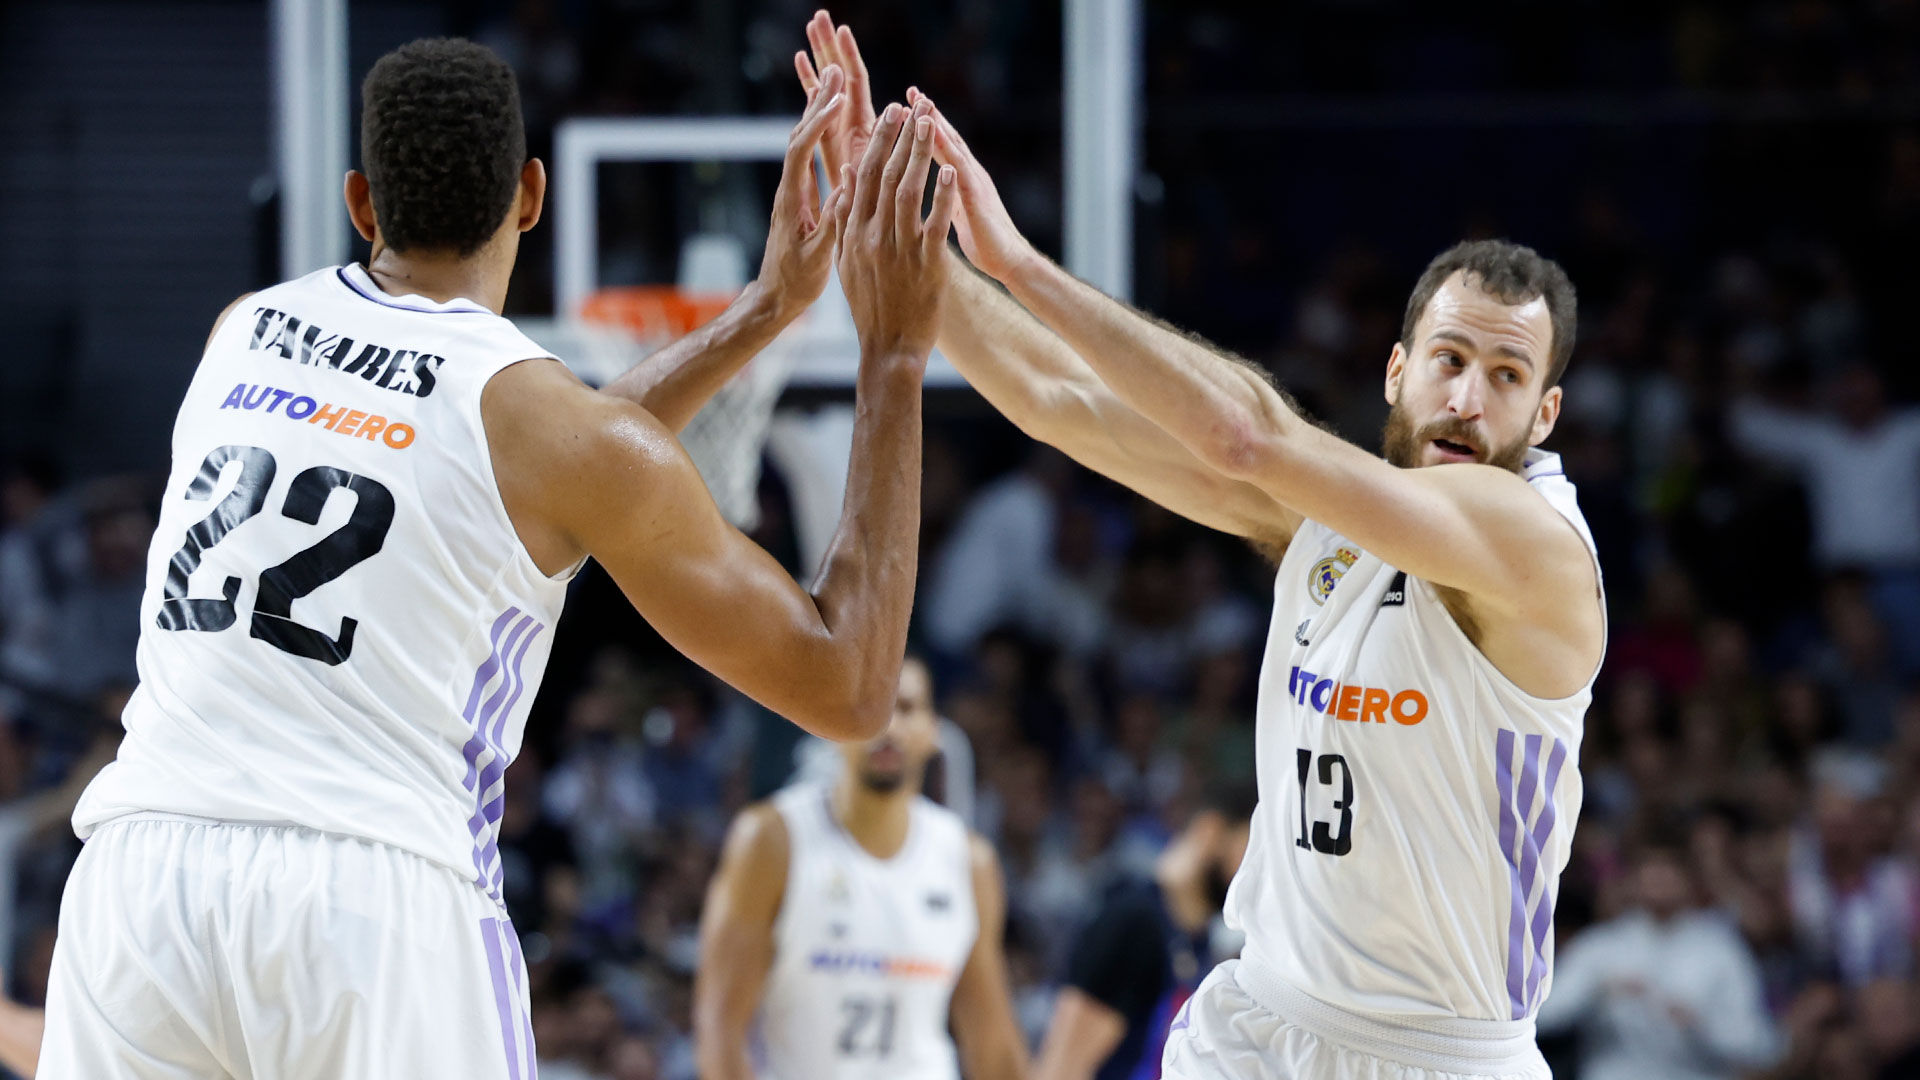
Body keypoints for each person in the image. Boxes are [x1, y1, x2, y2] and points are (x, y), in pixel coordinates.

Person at [39, 37, 956, 1078]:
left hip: (142, 877)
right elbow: (849, 686)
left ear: (359, 202)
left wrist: (761, 314)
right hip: (372, 900)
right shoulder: (551, 437)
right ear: (530, 196)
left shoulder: (239, 333)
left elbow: (492, 475)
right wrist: (892, 352)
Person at [793, 15, 1605, 1080]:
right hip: (1262, 1021)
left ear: (1544, 416)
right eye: (1449, 359)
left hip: (1440, 1054)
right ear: (1396, 372)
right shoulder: (1337, 518)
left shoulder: (1530, 539)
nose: (1467, 399)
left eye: (1506, 378)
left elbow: (1246, 433)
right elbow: (1055, 400)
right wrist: (903, 249)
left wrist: (1019, 263)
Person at [694, 656, 1028, 1080]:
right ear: (833, 727)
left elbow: (991, 1041)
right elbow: (720, 1028)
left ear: (934, 732)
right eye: (870, 706)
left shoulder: (968, 860)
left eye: (905, 708)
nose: (887, 727)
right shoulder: (771, 840)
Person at [1034, 790, 1254, 1080]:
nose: (1259, 870)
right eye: (1253, 848)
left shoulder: (1195, 941)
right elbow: (1061, 1069)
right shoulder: (1135, 921)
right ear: (1210, 830)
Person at [1535, 841, 1780, 1080]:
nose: (1659, 882)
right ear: (1632, 880)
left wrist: (1700, 1023)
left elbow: (1760, 1044)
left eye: (1669, 872)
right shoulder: (1600, 946)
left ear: (1689, 880)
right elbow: (1540, 1016)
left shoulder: (1722, 949)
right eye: (1650, 872)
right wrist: (1594, 988)